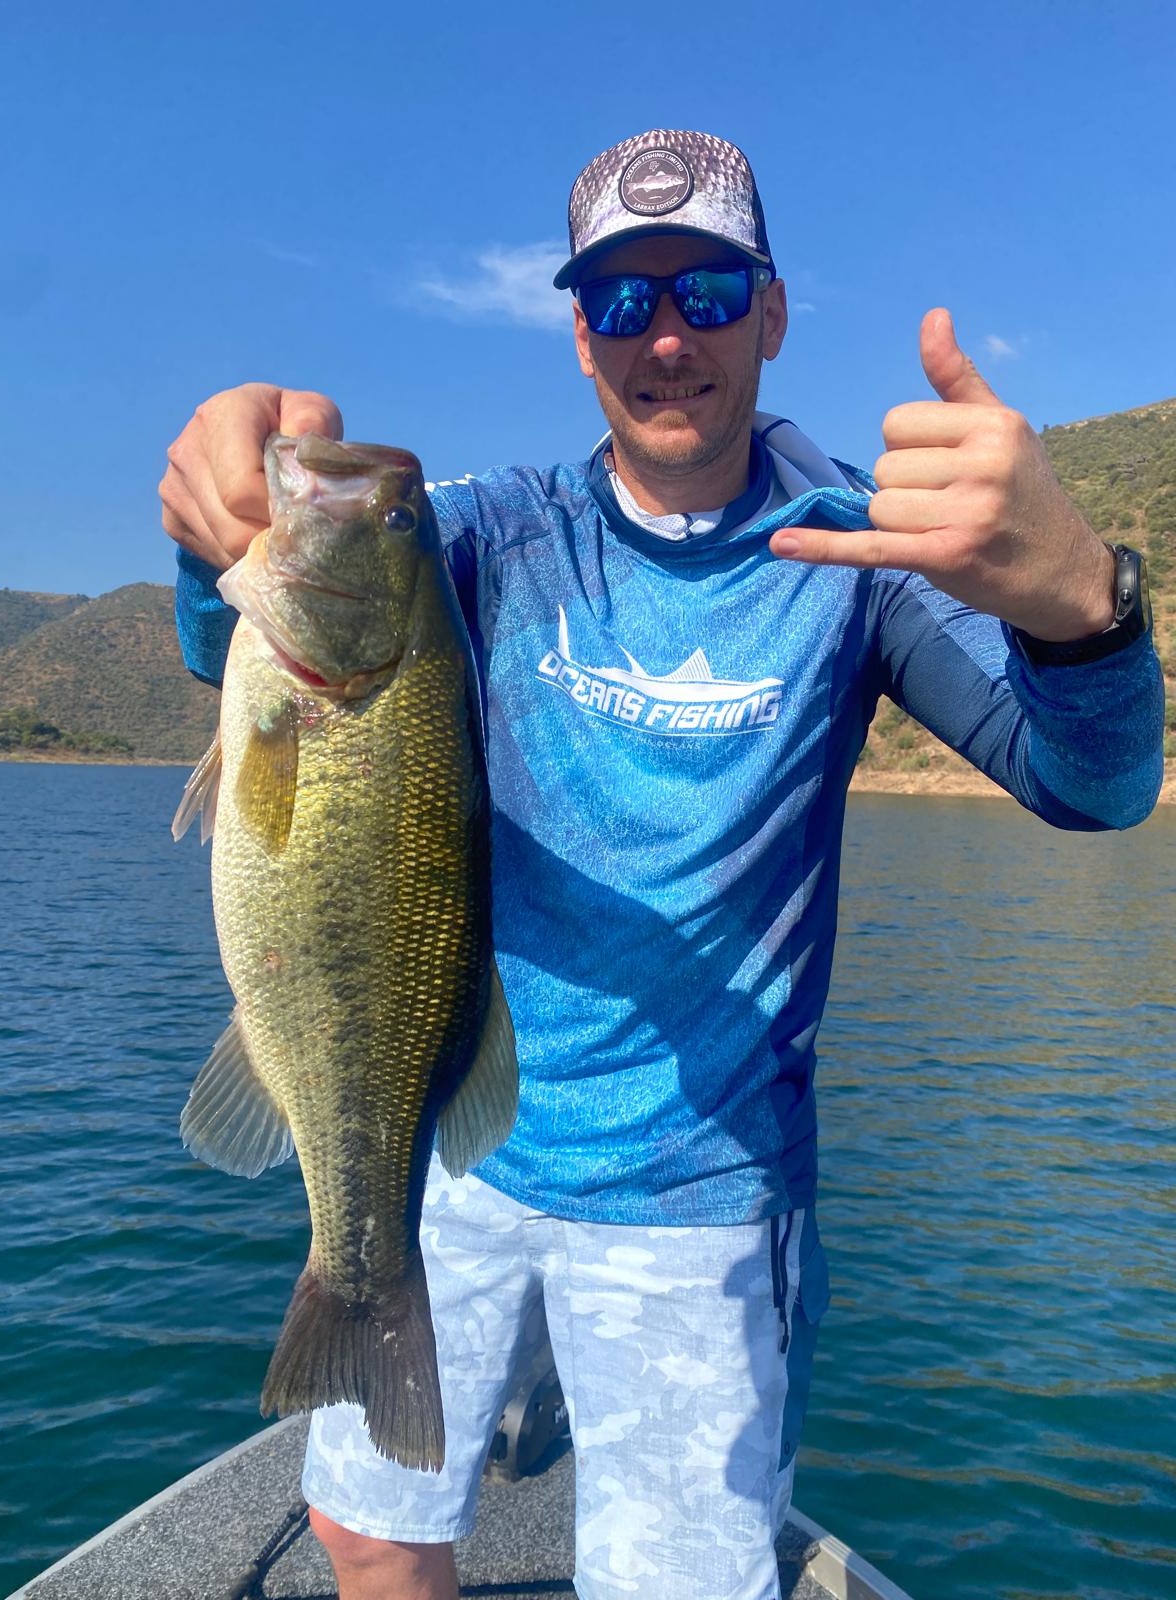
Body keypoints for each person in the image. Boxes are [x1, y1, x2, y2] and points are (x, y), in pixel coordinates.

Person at [160, 129, 1164, 1600]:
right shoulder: (495, 535)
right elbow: (247, 662)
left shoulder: (856, 561)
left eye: (705, 286)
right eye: (624, 301)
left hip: (704, 1199)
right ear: (580, 335)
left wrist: (1086, 609)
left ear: (770, 310)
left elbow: (1096, 786)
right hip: (454, 1140)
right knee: (371, 1535)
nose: (669, 334)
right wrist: (216, 534)